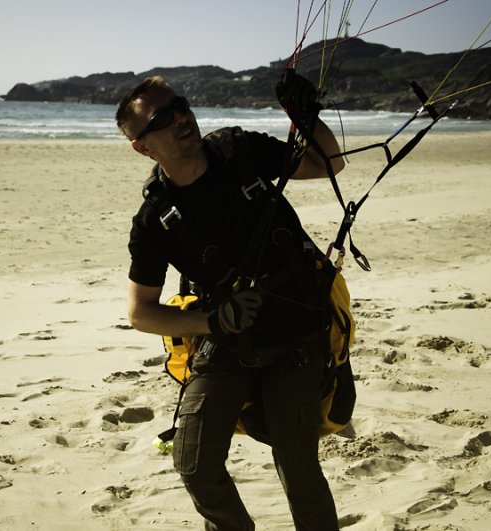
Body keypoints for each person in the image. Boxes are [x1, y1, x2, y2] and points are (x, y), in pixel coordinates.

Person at [116, 72, 345, 531]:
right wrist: (212, 321)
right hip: (226, 339)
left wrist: (305, 117)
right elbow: (141, 314)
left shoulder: (239, 152)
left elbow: (327, 164)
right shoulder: (155, 218)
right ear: (142, 147)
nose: (180, 118)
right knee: (194, 463)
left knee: (298, 468)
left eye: (180, 105)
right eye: (161, 119)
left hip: (296, 333)